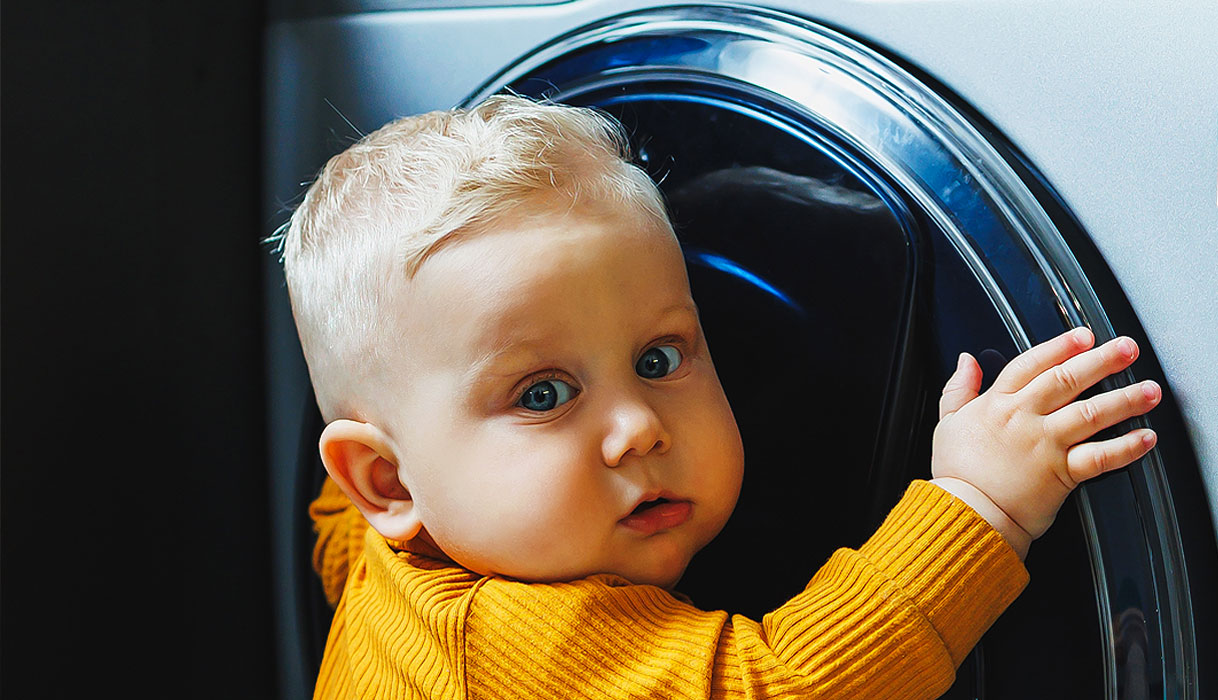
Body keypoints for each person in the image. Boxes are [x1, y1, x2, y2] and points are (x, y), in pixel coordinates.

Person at [278, 95, 1161, 699]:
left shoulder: (383, 556)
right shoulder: (516, 647)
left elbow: (335, 519)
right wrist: (981, 503)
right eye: (544, 393)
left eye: (659, 358)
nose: (637, 428)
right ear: (389, 483)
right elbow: (785, 687)